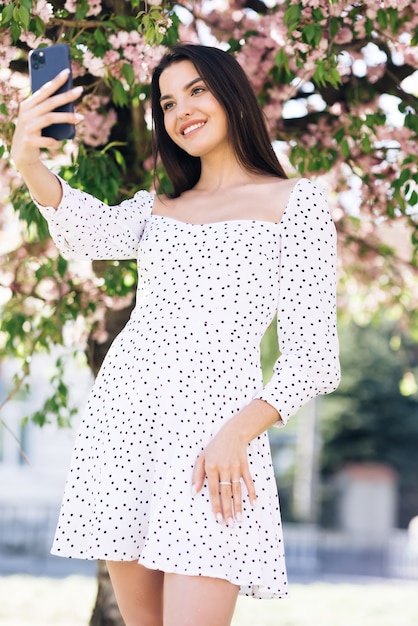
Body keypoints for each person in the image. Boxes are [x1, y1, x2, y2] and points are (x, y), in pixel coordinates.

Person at [11, 43, 340, 626]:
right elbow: (88, 232)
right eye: (166, 102)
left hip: (217, 441)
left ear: (232, 94)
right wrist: (30, 163)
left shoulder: (298, 203)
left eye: (196, 91)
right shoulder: (157, 208)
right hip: (126, 427)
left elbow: (311, 356)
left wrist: (237, 433)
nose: (181, 109)